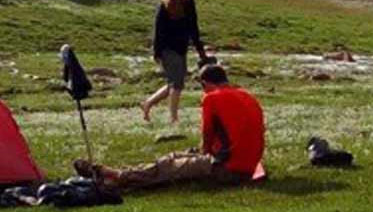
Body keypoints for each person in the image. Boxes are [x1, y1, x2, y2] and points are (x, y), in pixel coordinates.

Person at [77, 64, 263, 191]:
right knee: (175, 158)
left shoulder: (212, 98)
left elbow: (207, 135)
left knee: (170, 166)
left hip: (228, 167)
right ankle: (122, 174)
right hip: (249, 164)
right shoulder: (247, 96)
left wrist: (202, 155)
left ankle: (117, 176)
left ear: (205, 83)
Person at [141, 0, 209, 126]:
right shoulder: (165, 5)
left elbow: (193, 28)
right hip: (167, 49)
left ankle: (148, 103)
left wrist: (201, 51)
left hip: (181, 48)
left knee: (175, 82)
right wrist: (157, 52)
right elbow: (158, 31)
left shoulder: (190, 4)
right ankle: (173, 118)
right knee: (177, 84)